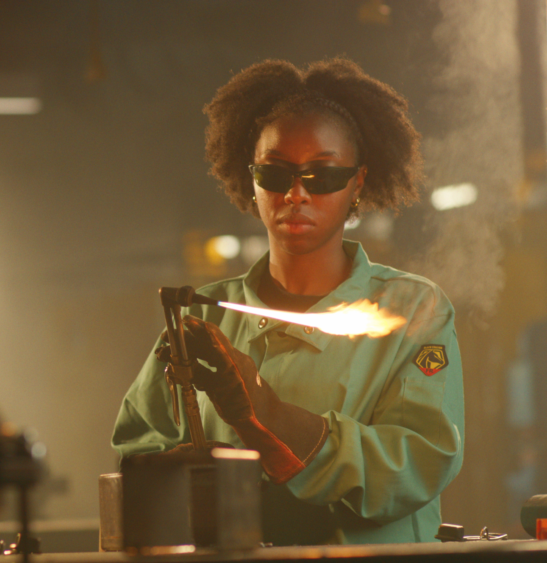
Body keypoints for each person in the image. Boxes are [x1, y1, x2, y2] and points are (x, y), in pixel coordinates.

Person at [111, 58, 464, 545]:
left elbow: (415, 467)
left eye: (320, 176)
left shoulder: (411, 312)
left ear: (358, 182)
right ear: (251, 180)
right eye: (275, 175)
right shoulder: (199, 314)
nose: (296, 194)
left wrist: (267, 415)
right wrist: (197, 473)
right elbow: (139, 448)